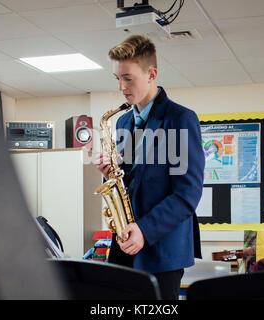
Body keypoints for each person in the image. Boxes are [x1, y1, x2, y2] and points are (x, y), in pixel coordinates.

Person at [94, 35, 204, 300]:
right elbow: (132, 181)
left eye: (128, 78)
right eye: (117, 78)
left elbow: (186, 194)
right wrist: (111, 173)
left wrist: (145, 230)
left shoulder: (179, 119)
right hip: (125, 243)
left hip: (161, 251)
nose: (121, 87)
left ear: (151, 74)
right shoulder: (122, 124)